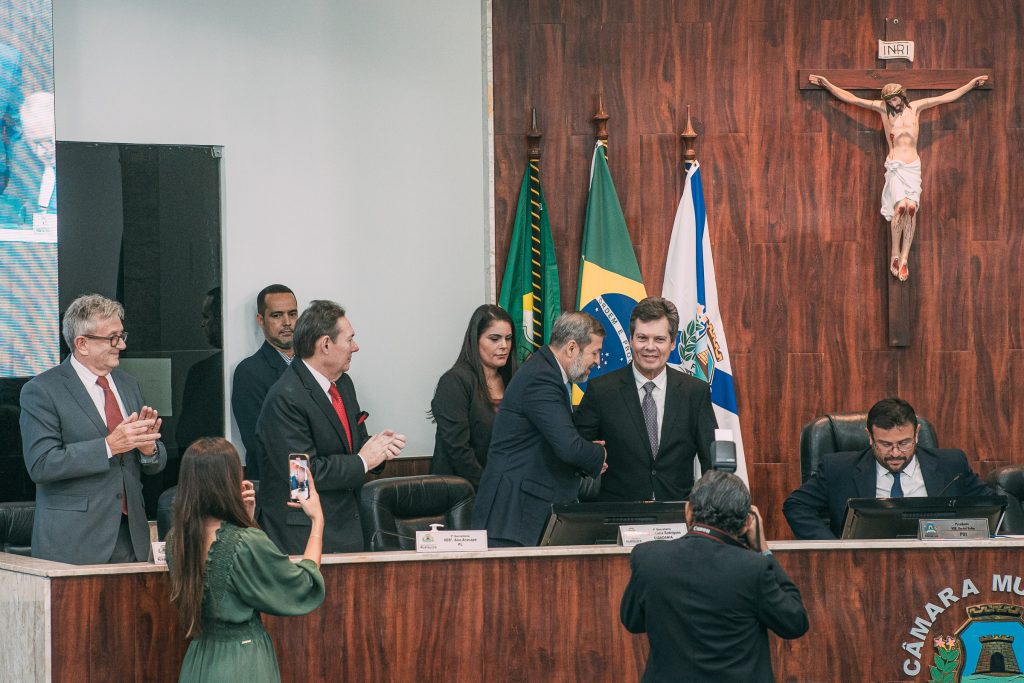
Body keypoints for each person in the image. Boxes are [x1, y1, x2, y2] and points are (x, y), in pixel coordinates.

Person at [621, 470, 808, 683]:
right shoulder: (753, 568)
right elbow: (794, 623)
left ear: (688, 510)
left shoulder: (648, 557)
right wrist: (763, 549)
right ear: (747, 523)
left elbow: (632, 622)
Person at [19, 294, 167, 563]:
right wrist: (110, 446)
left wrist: (149, 449)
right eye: (112, 338)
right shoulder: (42, 391)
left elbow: (151, 462)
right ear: (82, 343)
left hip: (131, 537)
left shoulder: (128, 384)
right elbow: (41, 464)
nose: (121, 345)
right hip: (74, 542)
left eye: (122, 335)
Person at [167, 437, 325, 683]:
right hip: (243, 661)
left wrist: (244, 520)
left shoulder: (176, 540)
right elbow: (303, 586)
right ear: (229, 481)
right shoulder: (246, 541)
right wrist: (317, 520)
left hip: (198, 661)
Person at [256, 300, 406, 554]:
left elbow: (353, 444)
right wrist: (362, 462)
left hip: (346, 526)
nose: (355, 347)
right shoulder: (285, 397)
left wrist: (379, 451)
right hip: (302, 535)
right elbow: (301, 476)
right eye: (349, 340)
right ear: (325, 344)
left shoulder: (343, 384)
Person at [809, 73, 988, 281]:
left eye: (895, 99)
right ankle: (895, 253)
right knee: (901, 207)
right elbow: (853, 99)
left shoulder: (917, 108)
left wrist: (970, 84)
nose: (892, 103)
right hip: (895, 166)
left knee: (911, 210)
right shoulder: (883, 110)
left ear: (902, 96)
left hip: (912, 166)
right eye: (889, 101)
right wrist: (829, 84)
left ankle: (904, 259)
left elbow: (946, 98)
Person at [472, 312, 607, 547]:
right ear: (572, 348)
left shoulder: (545, 371)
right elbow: (568, 447)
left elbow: (555, 440)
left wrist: (583, 450)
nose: (597, 361)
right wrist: (598, 455)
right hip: (511, 518)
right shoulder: (542, 378)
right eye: (594, 353)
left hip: (521, 515)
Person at [783, 397, 993, 540]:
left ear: (917, 433)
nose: (895, 453)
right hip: (863, 568)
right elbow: (796, 505)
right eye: (885, 444)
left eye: (904, 443)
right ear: (869, 436)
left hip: (939, 565)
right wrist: (834, 549)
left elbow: (990, 505)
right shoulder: (838, 469)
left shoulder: (951, 465)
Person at [575, 297, 716, 501]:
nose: (650, 347)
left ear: (673, 342)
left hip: (676, 514)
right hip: (618, 515)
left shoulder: (695, 392)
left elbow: (712, 462)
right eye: (642, 338)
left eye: (659, 339)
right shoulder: (601, 390)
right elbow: (577, 451)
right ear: (631, 339)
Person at [429, 304, 518, 489]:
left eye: (508, 339)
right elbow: (458, 451)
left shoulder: (513, 381)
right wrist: (490, 487)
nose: (504, 346)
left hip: (507, 487)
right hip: (461, 493)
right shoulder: (455, 381)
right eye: (495, 339)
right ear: (475, 340)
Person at [231, 284, 298, 481]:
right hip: (275, 485)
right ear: (261, 320)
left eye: (292, 314)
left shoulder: (314, 365)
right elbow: (258, 442)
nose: (287, 322)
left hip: (320, 481)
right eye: (277, 315)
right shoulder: (249, 372)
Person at [176, 287, 224, 455]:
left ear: (221, 318)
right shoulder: (204, 370)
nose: (203, 323)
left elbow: (186, 435)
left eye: (207, 316)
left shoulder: (203, 372)